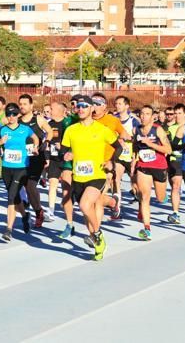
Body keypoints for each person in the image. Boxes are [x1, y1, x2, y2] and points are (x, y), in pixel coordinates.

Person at [61, 95, 123, 260]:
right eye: (78, 106)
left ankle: (98, 234)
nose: (80, 109)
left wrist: (111, 161)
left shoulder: (102, 129)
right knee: (87, 214)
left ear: (91, 109)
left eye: (84, 106)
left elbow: (118, 147)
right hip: (78, 177)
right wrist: (66, 154)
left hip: (97, 175)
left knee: (84, 205)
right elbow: (63, 150)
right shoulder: (71, 130)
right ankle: (97, 245)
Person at [0, 103, 38, 241]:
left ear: (18, 115)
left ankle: (8, 229)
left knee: (10, 196)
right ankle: (25, 215)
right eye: (9, 114)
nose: (11, 117)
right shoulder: (2, 130)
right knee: (15, 197)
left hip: (21, 168)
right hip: (6, 168)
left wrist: (35, 147)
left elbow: (35, 137)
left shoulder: (25, 129)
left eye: (14, 114)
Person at [132, 105, 171, 240]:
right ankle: (147, 228)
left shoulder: (158, 130)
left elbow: (168, 150)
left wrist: (150, 144)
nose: (143, 117)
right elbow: (135, 149)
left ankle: (165, 197)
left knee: (160, 198)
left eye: (147, 114)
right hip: (143, 166)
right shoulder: (136, 130)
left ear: (152, 116)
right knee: (144, 196)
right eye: (142, 114)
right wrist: (133, 165)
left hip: (159, 167)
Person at [91, 93, 129, 219]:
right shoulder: (86, 120)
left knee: (99, 193)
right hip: (89, 162)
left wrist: (123, 139)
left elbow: (124, 133)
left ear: (104, 106)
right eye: (92, 104)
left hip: (108, 160)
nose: (94, 107)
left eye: (97, 104)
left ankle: (95, 230)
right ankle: (113, 202)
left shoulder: (112, 120)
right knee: (93, 196)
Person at [18, 93, 53, 227]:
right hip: (23, 158)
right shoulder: (18, 121)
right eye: (20, 104)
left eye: (25, 104)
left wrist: (47, 142)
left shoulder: (38, 119)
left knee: (31, 185)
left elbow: (49, 132)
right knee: (27, 187)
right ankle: (38, 210)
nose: (22, 106)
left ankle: (38, 213)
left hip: (37, 157)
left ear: (31, 105)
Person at [57, 94, 82, 239]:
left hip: (86, 162)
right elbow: (63, 142)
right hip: (68, 162)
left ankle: (112, 202)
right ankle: (69, 224)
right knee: (66, 192)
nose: (75, 106)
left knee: (83, 197)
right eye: (73, 104)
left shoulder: (90, 122)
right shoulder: (67, 121)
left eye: (78, 104)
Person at [114, 95, 140, 209]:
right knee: (116, 180)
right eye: (116, 104)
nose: (117, 106)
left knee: (135, 184)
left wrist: (127, 138)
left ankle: (141, 204)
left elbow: (139, 138)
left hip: (131, 155)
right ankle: (117, 206)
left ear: (127, 106)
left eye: (120, 104)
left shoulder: (133, 121)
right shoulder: (114, 119)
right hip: (118, 154)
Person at [166, 103, 185, 224]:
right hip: (175, 160)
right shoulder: (170, 129)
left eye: (180, 113)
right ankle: (175, 213)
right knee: (175, 186)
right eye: (176, 113)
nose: (177, 116)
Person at [45, 102, 66, 221]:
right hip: (53, 158)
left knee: (66, 185)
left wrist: (62, 146)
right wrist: (47, 157)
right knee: (52, 183)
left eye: (51, 109)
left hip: (65, 158)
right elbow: (46, 140)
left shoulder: (67, 123)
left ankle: (67, 202)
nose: (49, 111)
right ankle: (51, 210)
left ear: (59, 110)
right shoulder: (49, 124)